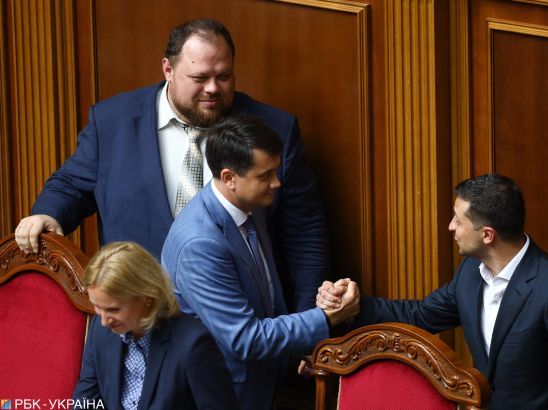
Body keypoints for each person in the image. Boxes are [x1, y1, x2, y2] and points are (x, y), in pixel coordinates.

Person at [14, 18, 327, 312]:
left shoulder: (275, 129)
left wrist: (310, 322)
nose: (213, 88)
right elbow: (72, 184)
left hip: (235, 323)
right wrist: (48, 213)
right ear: (168, 69)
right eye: (199, 78)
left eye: (224, 76)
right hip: (137, 315)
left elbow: (304, 232)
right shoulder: (112, 122)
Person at [317, 174, 548, 409]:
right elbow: (419, 315)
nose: (451, 226)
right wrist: (352, 306)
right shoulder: (470, 272)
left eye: (458, 220)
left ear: (487, 235)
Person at [161, 113, 359, 410]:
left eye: (275, 172)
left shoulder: (248, 204)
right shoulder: (200, 244)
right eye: (265, 176)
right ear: (229, 178)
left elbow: (266, 295)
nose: (277, 183)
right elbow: (245, 338)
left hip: (262, 383)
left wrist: (304, 345)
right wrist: (326, 318)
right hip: (224, 395)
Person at [74, 241, 239, 410]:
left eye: (114, 309)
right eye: (97, 307)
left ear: (147, 296)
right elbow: (86, 402)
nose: (104, 321)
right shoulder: (100, 330)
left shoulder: (194, 344)